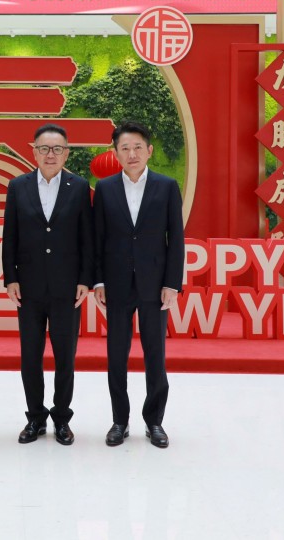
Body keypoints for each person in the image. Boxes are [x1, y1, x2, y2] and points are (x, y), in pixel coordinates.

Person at [92, 121, 185, 449]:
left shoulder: (167, 186)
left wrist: (172, 283)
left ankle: (154, 421)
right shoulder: (105, 189)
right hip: (116, 284)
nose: (131, 154)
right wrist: (99, 280)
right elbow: (98, 239)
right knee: (116, 355)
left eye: (137, 147)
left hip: (154, 285)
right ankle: (120, 420)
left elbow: (176, 239)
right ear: (116, 153)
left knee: (155, 354)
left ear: (149, 150)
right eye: (124, 148)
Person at [2, 123, 93, 445]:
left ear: (66, 153)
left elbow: (87, 238)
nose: (50, 154)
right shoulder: (18, 186)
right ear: (34, 151)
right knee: (31, 356)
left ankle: (62, 419)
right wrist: (11, 277)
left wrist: (85, 279)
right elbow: (10, 235)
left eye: (57, 149)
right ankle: (35, 418)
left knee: (65, 356)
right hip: (28, 288)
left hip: (67, 288)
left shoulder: (79, 187)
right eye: (44, 148)